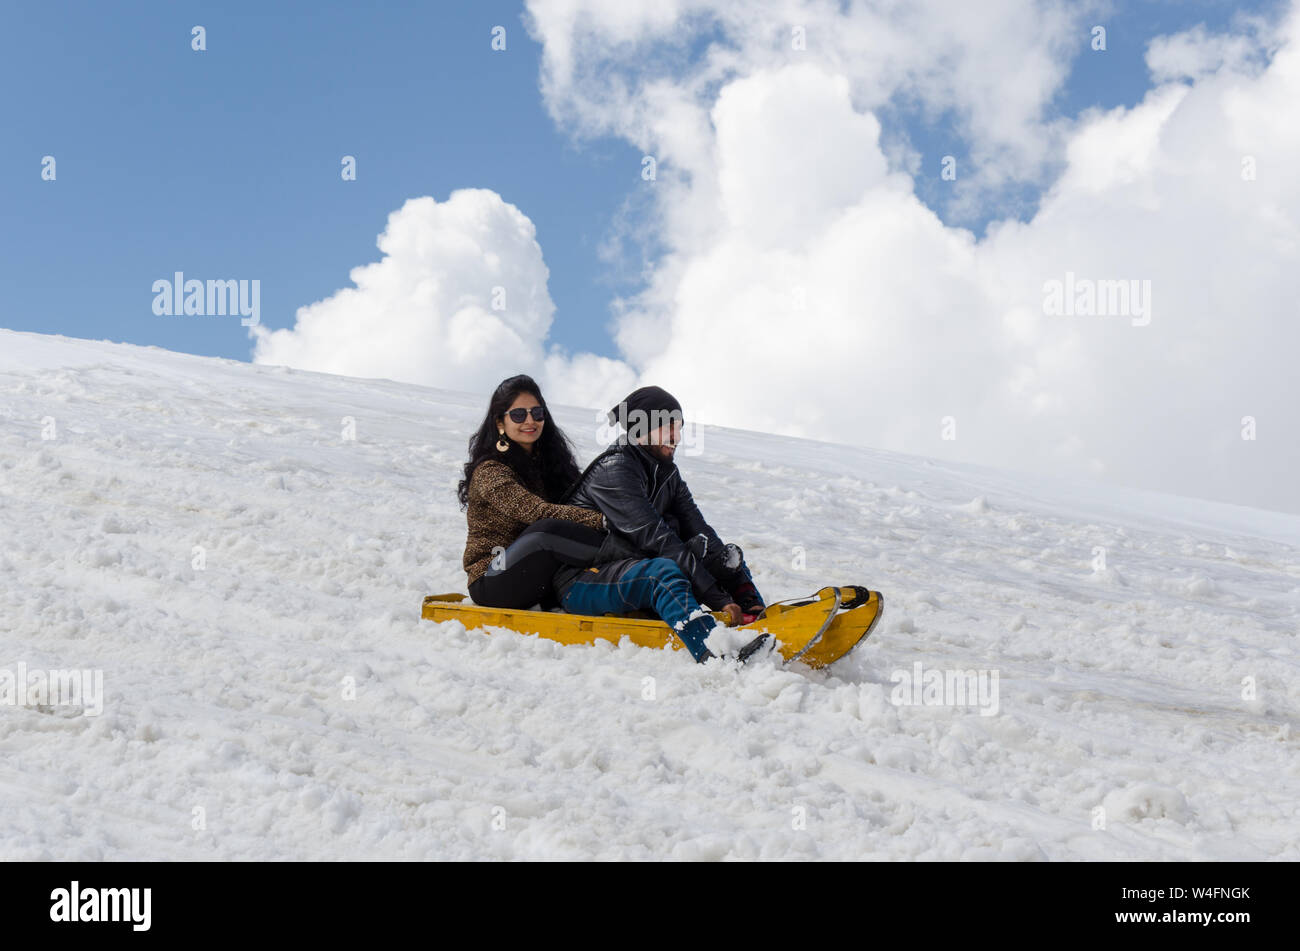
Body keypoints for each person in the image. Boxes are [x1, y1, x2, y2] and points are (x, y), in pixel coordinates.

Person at [553, 385, 769, 663]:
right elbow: (659, 540)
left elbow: (701, 530)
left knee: (726, 554)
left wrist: (726, 576)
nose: (676, 437)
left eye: (679, 428)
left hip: (627, 568)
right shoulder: (614, 470)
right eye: (668, 427)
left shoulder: (667, 473)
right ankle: (713, 654)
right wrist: (718, 599)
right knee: (663, 572)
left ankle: (758, 617)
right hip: (582, 579)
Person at [459, 375, 606, 609]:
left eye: (536, 413)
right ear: (500, 422)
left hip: (538, 573)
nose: (530, 421)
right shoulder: (490, 472)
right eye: (518, 415)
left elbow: (579, 504)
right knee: (545, 531)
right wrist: (606, 522)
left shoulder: (548, 465)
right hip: (494, 579)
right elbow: (536, 513)